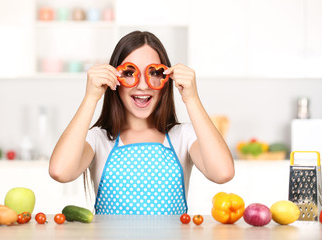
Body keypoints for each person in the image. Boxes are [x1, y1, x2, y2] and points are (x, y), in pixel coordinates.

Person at [49, 31, 234, 215]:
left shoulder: (183, 136)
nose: (143, 85)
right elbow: (60, 171)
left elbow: (223, 173)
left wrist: (192, 98)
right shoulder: (99, 139)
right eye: (129, 73)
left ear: (166, 78)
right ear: (115, 78)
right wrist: (91, 97)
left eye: (154, 73)